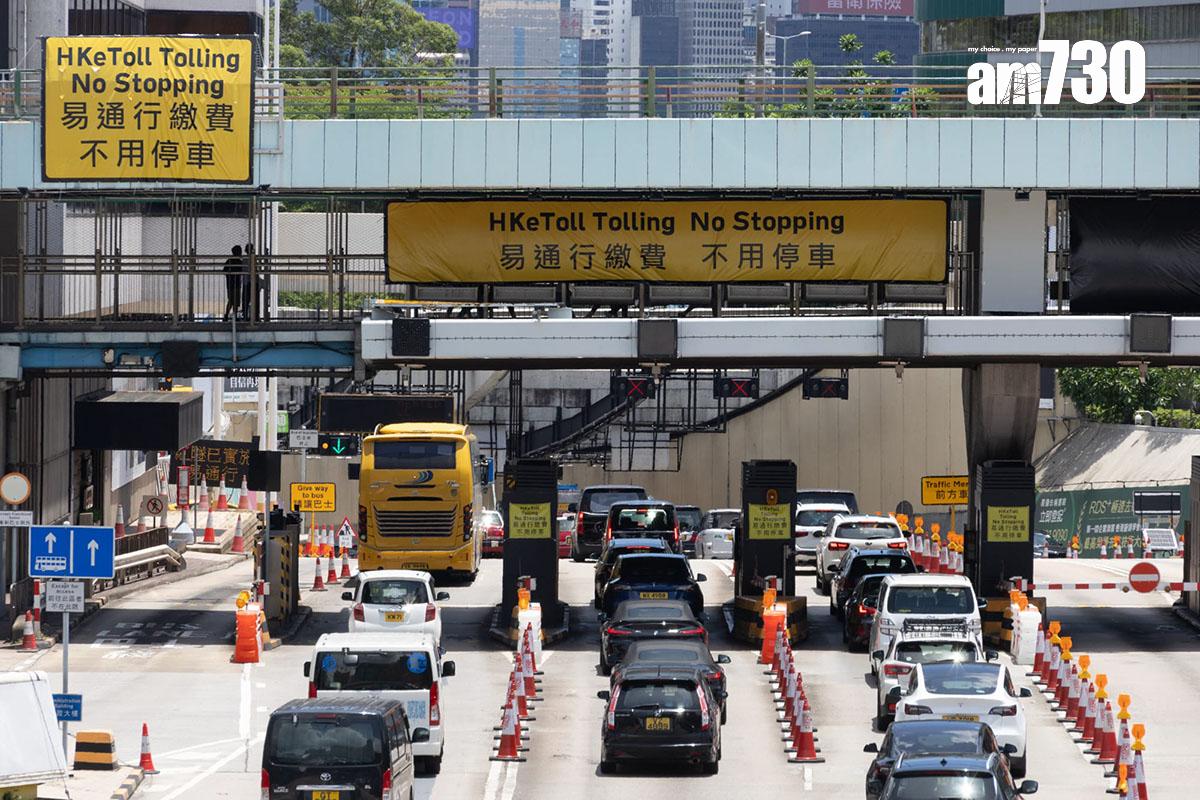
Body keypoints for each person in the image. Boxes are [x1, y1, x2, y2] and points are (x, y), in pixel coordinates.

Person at [223, 245, 244, 320]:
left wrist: (229, 275)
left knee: (231, 300)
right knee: (235, 301)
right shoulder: (239, 262)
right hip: (236, 284)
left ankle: (227, 315)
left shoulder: (229, 261)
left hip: (230, 284)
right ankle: (233, 316)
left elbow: (224, 271)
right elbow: (242, 270)